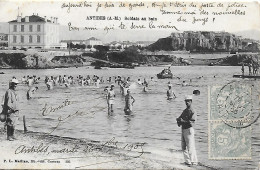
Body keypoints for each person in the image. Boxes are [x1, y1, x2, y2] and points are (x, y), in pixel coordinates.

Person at [176, 95, 198, 166]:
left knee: (190, 146)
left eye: (188, 101)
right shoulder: (185, 111)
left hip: (189, 130)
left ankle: (194, 162)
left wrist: (182, 121)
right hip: (183, 129)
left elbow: (191, 122)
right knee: (183, 146)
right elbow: (180, 118)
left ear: (191, 102)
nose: (187, 103)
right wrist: (179, 120)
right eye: (186, 101)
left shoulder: (193, 111)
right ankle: (188, 161)